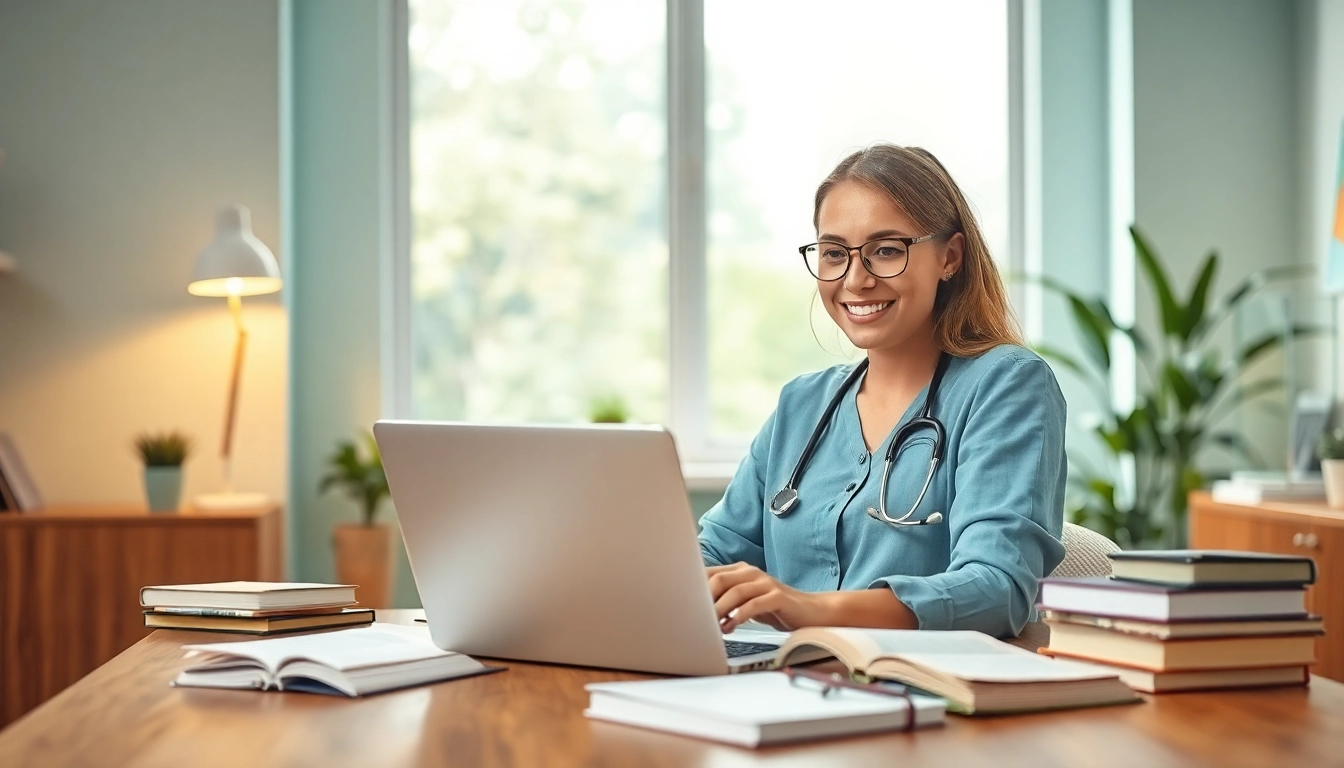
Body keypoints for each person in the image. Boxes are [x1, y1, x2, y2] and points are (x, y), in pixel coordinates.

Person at [699, 144, 1066, 639]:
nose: (856, 279)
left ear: (950, 258)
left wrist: (812, 608)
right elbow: (715, 550)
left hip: (924, 696)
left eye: (887, 251)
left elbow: (999, 588)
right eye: (833, 254)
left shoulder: (1007, 384)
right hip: (784, 682)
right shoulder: (801, 405)